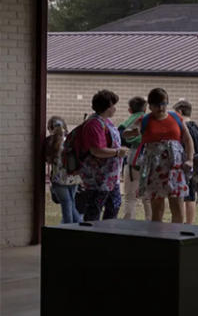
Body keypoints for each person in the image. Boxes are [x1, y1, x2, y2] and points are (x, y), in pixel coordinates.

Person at [127, 88, 194, 223]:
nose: (161, 108)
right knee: (157, 207)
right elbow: (126, 132)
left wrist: (190, 159)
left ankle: (177, 237)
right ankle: (159, 238)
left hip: (175, 167)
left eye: (164, 103)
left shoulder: (176, 117)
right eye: (157, 105)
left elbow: (188, 139)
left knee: (177, 206)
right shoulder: (145, 120)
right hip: (154, 168)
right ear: (150, 106)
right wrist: (132, 132)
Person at [75, 89, 128, 221]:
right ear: (107, 107)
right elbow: (96, 150)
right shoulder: (94, 124)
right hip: (98, 179)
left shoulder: (106, 121)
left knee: (114, 205)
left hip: (110, 177)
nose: (115, 108)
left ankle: (107, 234)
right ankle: (92, 237)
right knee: (94, 209)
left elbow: (109, 140)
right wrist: (117, 152)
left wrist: (126, 135)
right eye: (113, 105)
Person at [173, 100, 198, 224]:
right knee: (191, 197)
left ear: (180, 112)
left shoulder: (183, 128)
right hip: (197, 168)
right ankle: (190, 224)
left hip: (184, 168)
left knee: (182, 197)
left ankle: (181, 224)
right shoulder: (197, 128)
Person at [43, 116, 82, 224]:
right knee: (71, 203)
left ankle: (71, 228)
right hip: (74, 177)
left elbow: (47, 160)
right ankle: (74, 227)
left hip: (59, 179)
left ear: (50, 128)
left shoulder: (49, 142)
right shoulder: (72, 139)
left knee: (67, 204)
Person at [117, 96, 150, 220]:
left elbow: (120, 138)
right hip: (149, 161)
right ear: (146, 108)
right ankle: (152, 225)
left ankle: (128, 223)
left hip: (132, 161)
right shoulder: (150, 120)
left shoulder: (127, 123)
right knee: (148, 198)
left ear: (129, 110)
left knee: (130, 197)